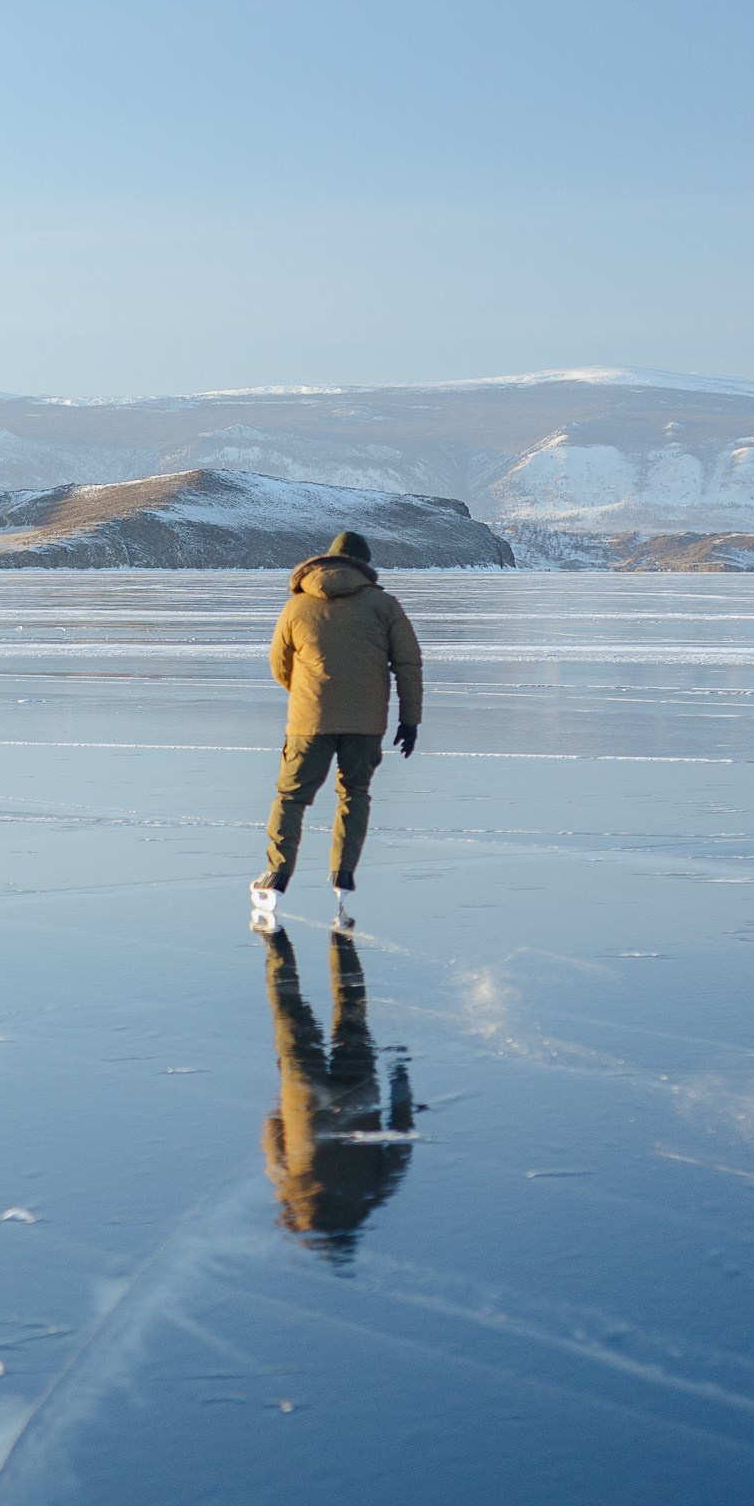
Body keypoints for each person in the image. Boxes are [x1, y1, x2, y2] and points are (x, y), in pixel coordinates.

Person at [250, 531, 422, 933]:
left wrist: (308, 694)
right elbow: (408, 666)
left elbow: (279, 665)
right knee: (354, 794)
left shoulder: (297, 607)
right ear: (364, 565)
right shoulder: (384, 605)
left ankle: (277, 874)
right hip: (366, 724)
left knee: (291, 798)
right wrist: (409, 720)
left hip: (308, 723)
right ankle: (343, 875)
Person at [260, 928, 417, 1258]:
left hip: (358, 1094)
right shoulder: (290, 1197)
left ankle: (342, 938)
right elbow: (272, 1137)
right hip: (304, 1098)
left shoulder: (374, 1193)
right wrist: (281, 1106)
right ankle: (275, 940)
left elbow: (401, 1139)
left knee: (351, 1013)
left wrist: (400, 1083)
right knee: (289, 1011)